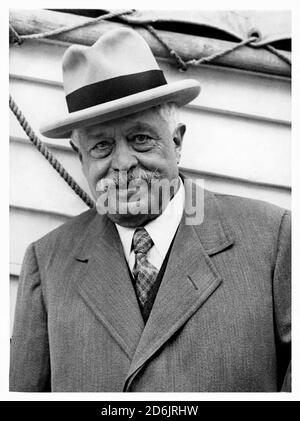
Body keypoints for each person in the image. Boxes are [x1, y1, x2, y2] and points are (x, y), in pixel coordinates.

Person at [10, 28, 291, 392]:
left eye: (141, 138)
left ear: (176, 142)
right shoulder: (46, 265)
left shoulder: (273, 239)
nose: (123, 163)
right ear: (80, 158)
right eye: (102, 147)